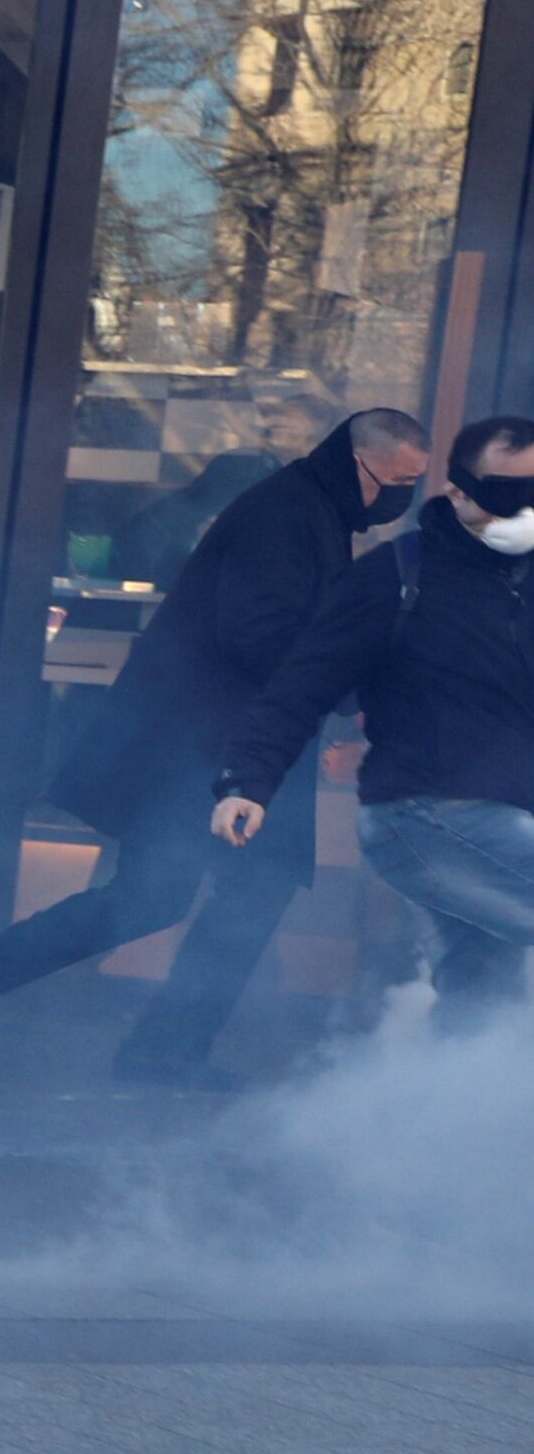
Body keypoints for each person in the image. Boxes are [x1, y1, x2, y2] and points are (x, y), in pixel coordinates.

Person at [0, 408, 432, 1088]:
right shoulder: (291, 514)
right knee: (217, 892)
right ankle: (142, 1042)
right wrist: (341, 687)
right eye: (396, 481)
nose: (400, 499)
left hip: (214, 743)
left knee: (175, 895)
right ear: (355, 461)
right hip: (209, 748)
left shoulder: (310, 510)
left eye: (414, 484)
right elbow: (258, 634)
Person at [215, 414, 534, 1030]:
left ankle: (443, 1113)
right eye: (507, 492)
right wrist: (249, 779)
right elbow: (302, 681)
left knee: (481, 981)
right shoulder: (397, 576)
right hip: (424, 814)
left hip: (512, 808)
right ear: (459, 491)